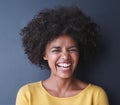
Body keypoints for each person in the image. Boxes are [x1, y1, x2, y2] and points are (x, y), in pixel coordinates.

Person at [16, 6, 109, 105]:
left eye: (72, 49)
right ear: (44, 54)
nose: (65, 56)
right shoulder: (28, 94)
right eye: (56, 50)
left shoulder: (95, 95)